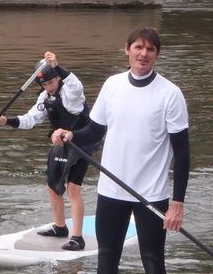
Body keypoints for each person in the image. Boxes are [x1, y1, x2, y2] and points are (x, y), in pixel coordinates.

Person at [51, 27, 190, 274]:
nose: (143, 53)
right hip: (112, 191)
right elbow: (94, 131)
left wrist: (177, 204)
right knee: (106, 260)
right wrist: (71, 135)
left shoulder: (170, 94)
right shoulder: (112, 85)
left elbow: (182, 154)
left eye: (150, 49)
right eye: (138, 47)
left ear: (157, 54)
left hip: (151, 195)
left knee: (153, 262)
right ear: (127, 50)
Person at [0, 51, 92, 251]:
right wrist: (5, 121)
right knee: (52, 186)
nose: (48, 87)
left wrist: (57, 66)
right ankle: (60, 227)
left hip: (81, 141)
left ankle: (78, 238)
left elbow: (76, 85)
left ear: (57, 78)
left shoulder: (70, 93)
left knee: (73, 188)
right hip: (61, 143)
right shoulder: (44, 97)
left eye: (51, 82)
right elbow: (30, 120)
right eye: (44, 84)